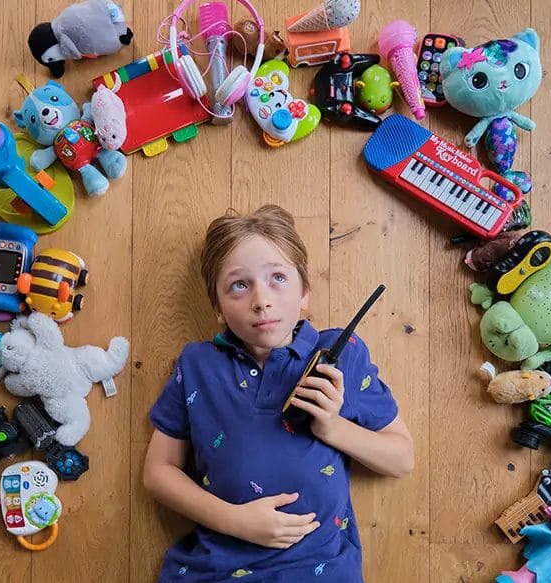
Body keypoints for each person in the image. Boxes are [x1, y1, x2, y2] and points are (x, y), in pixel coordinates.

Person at [143, 205, 414, 582]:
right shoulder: (196, 364)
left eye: (277, 278)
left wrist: (333, 429)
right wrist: (234, 521)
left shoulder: (341, 352)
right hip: (214, 569)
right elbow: (158, 472)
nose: (261, 300)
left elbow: (402, 459)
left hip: (319, 571)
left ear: (305, 293)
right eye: (239, 284)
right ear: (218, 308)